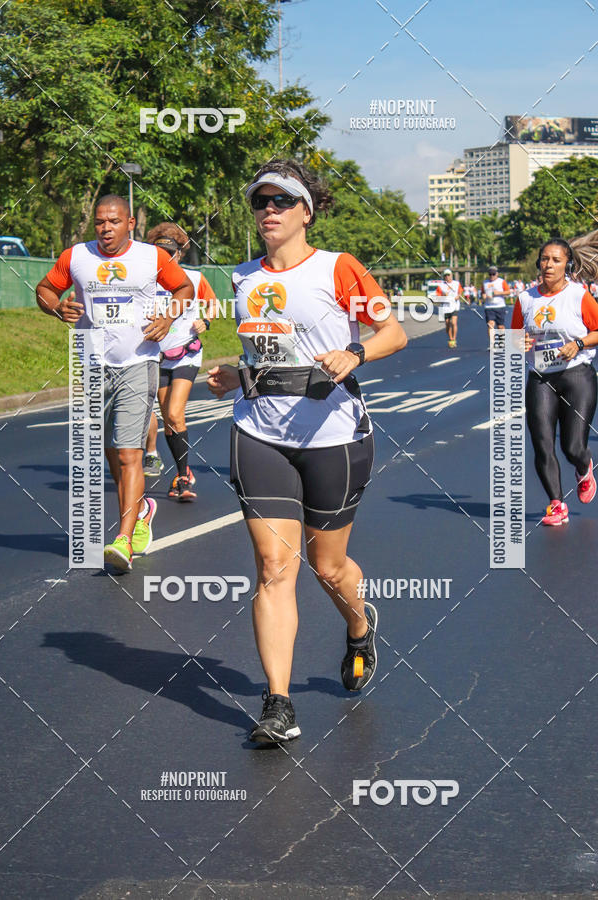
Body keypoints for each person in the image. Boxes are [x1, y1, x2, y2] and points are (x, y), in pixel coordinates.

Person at [207, 159, 407, 744]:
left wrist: (357, 354)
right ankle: (278, 704)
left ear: (305, 211)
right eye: (259, 202)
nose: (268, 211)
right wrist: (231, 374)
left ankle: (357, 622)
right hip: (259, 432)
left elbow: (392, 332)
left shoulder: (337, 269)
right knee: (273, 569)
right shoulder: (242, 277)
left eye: (280, 201)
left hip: (333, 435)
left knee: (327, 566)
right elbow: (261, 348)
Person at [35, 195, 194, 570]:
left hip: (138, 361)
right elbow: (44, 289)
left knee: (129, 452)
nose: (106, 229)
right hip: (90, 361)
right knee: (111, 454)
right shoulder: (76, 257)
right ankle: (140, 510)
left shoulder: (151, 258)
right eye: (100, 223)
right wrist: (56, 307)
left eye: (113, 222)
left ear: (130, 224)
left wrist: (169, 319)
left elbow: (184, 289)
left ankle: (122, 539)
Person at [511, 237, 598, 525]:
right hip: (540, 379)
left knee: (572, 447)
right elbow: (511, 338)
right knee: (542, 443)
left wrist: (580, 342)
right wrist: (517, 341)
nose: (549, 265)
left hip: (577, 375)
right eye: (545, 259)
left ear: (567, 264)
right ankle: (556, 504)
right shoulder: (525, 299)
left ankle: (584, 467)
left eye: (556, 260)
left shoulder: (578, 295)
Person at [146, 223, 216, 501]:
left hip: (187, 352)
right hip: (158, 356)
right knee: (168, 418)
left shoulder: (194, 279)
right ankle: (182, 469)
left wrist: (205, 320)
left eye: (170, 252)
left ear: (180, 253)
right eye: (159, 252)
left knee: (175, 413)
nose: (165, 257)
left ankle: (183, 479)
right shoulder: (145, 282)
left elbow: (213, 304)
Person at [482, 265, 510, 346]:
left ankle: (501, 343)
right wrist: (483, 295)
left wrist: (499, 293)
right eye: (490, 274)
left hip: (500, 306)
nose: (492, 276)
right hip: (489, 306)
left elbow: (508, 292)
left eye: (493, 274)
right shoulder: (485, 282)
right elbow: (483, 292)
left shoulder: (501, 281)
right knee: (490, 324)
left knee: (500, 327)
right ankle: (492, 343)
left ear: (497, 274)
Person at [435, 268, 463, 348]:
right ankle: (450, 338)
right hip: (446, 307)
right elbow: (438, 296)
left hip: (454, 306)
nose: (447, 277)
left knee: (453, 322)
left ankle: (454, 339)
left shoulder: (456, 283)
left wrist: (458, 296)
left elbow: (460, 291)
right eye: (445, 275)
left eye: (448, 275)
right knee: (447, 325)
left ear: (451, 275)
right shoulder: (441, 285)